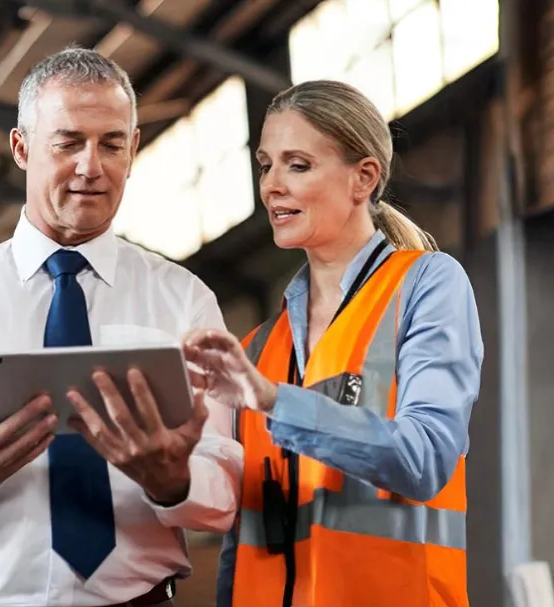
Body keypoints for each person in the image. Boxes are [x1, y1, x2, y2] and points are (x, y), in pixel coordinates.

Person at [0, 47, 242, 607]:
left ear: (133, 149)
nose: (92, 166)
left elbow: (228, 493)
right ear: (22, 148)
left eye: (112, 143)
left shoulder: (184, 301)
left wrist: (172, 481)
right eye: (67, 142)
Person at [182, 80, 483, 607]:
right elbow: (240, 538)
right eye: (265, 164)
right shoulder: (254, 351)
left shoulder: (426, 286)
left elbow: (425, 456)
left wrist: (274, 402)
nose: (272, 185)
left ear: (363, 178)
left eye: (297, 165)